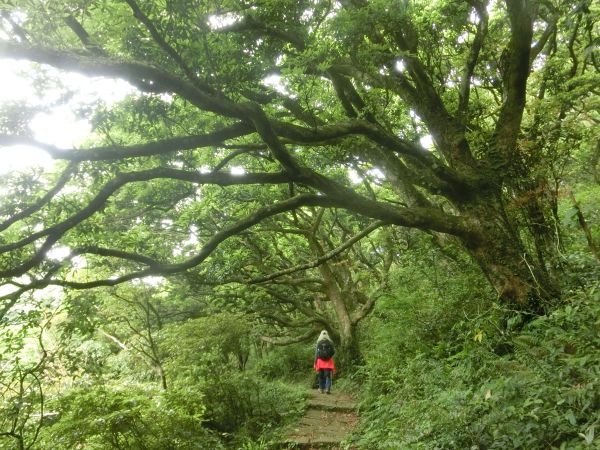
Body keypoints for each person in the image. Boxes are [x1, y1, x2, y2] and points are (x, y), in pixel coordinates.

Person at [314, 330, 336, 394]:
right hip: (328, 361)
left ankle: (321, 389)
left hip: (320, 361)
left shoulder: (318, 342)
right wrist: (329, 356)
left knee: (321, 375)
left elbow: (316, 353)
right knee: (328, 375)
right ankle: (328, 389)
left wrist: (315, 362)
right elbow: (333, 351)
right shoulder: (330, 342)